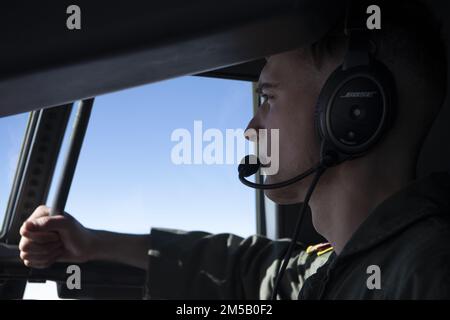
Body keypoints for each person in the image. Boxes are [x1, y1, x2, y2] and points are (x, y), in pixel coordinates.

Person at [18, 1, 450, 299]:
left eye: (267, 98)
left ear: (352, 111)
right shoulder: (340, 265)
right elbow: (247, 267)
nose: (249, 129)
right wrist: (91, 242)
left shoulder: (428, 274)